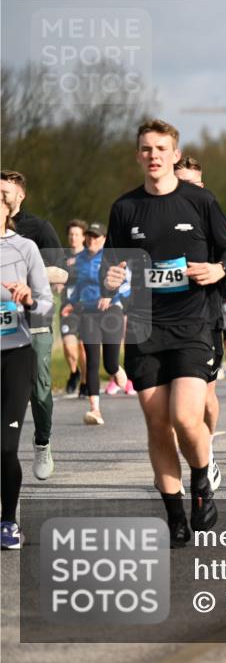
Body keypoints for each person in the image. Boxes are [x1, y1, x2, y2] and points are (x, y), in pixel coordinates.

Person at [102, 119, 226, 547]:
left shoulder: (200, 201)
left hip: (194, 323)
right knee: (157, 423)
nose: (154, 155)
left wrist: (218, 269)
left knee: (185, 416)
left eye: (161, 148)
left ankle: (201, 480)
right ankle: (174, 513)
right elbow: (112, 264)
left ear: (175, 154)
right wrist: (110, 278)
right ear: (138, 155)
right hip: (145, 326)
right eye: (146, 149)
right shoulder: (125, 208)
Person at [1, 170, 61, 481]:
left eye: (5, 191)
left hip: (33, 321)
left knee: (39, 391)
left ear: (19, 195)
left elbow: (61, 273)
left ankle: (42, 442)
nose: (2, 195)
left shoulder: (38, 229)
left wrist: (29, 276)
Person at [2, 199, 54, 548]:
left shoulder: (24, 248)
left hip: (14, 355)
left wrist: (29, 302)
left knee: (5, 447)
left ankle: (8, 521)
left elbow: (47, 303)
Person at [175, 156, 225, 490]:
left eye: (192, 185)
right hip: (163, 321)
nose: (186, 191)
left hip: (205, 318)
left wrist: (219, 268)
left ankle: (207, 450)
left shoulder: (210, 215)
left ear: (202, 187)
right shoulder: (155, 216)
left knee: (205, 395)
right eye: (181, 183)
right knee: (169, 405)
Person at [62, 222, 133, 426]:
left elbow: (127, 286)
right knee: (92, 360)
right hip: (88, 313)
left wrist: (110, 296)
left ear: (104, 239)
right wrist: (71, 303)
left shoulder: (113, 259)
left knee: (110, 363)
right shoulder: (78, 261)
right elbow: (76, 287)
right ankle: (95, 409)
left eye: (96, 237)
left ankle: (116, 370)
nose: (92, 240)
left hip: (112, 311)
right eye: (89, 236)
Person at [60, 219, 88, 397]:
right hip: (66, 309)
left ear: (83, 237)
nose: (73, 237)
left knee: (83, 346)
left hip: (85, 309)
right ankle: (74, 371)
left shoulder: (91, 257)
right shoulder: (63, 258)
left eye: (77, 234)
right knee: (69, 346)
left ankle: (85, 382)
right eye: (71, 234)